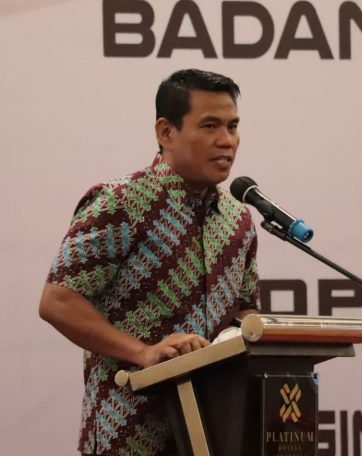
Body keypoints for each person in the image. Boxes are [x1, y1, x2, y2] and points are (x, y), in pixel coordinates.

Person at [39, 69, 259, 455]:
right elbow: (58, 301)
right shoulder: (120, 203)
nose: (226, 141)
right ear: (166, 132)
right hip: (129, 432)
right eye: (210, 126)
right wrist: (144, 351)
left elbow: (243, 310)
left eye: (232, 126)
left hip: (215, 432)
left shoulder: (238, 218)